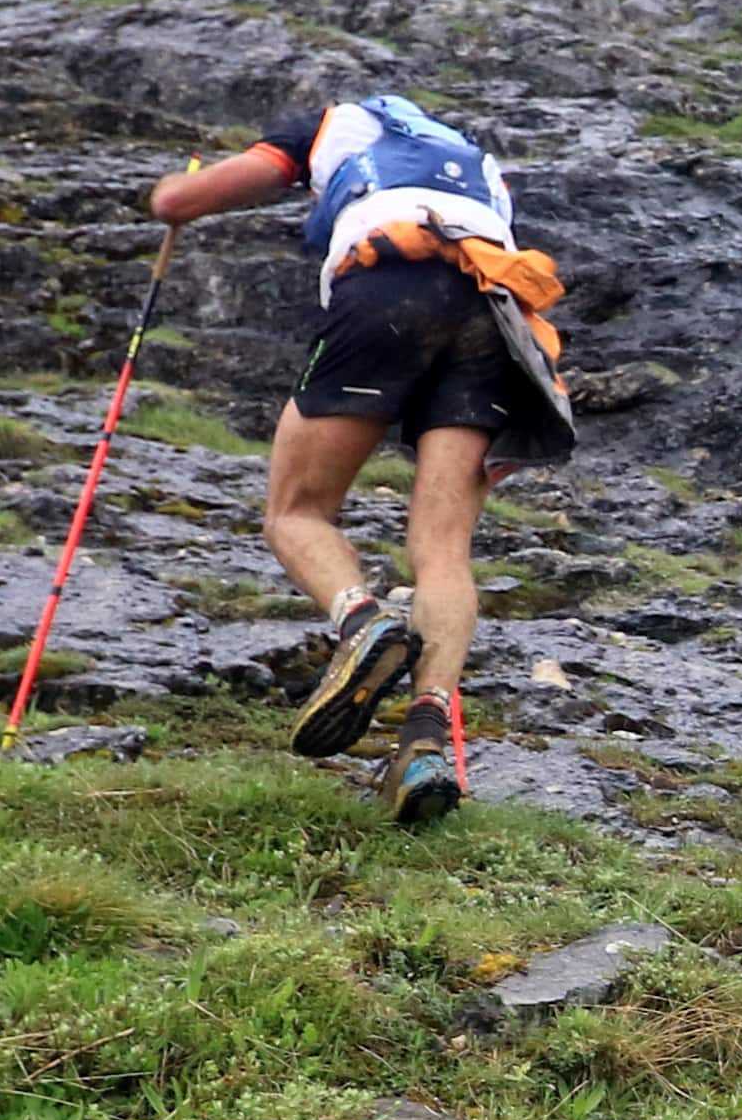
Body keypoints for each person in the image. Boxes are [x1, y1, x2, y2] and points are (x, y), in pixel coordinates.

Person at [148, 95, 574, 826]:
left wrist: (174, 189)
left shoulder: (331, 123)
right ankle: (425, 738)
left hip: (388, 282)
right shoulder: (484, 169)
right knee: (443, 547)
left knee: (296, 512)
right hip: (496, 307)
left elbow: (179, 199)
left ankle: (363, 621)